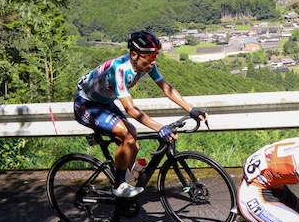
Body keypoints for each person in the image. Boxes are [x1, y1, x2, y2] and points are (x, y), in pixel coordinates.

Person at [72, 29, 208, 198]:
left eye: (156, 55)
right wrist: (159, 127)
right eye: (150, 56)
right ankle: (119, 186)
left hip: (104, 103)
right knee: (127, 136)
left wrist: (190, 109)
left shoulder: (145, 65)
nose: (154, 60)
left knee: (133, 140)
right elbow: (130, 109)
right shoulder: (119, 69)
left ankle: (123, 180)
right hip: (86, 105)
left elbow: (166, 88)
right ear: (135, 54)